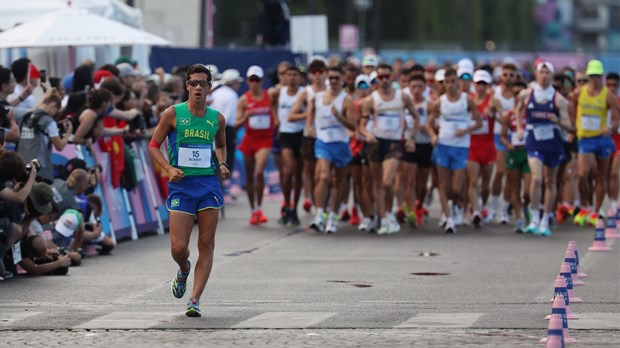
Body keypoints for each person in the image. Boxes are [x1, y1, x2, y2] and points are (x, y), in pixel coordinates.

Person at [149, 64, 229, 317]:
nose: (197, 88)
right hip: (182, 187)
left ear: (209, 87)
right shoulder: (172, 114)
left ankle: (194, 299)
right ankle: (184, 270)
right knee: (178, 248)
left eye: (202, 84)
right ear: (186, 86)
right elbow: (153, 145)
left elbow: (221, 145)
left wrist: (223, 163)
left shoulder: (216, 118)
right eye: (193, 83)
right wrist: (168, 169)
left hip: (208, 186)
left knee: (206, 243)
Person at [515, 61, 573, 236]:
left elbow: (569, 126)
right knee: (537, 178)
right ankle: (534, 217)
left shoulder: (559, 99)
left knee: (551, 181)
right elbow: (518, 110)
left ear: (552, 76)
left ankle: (546, 218)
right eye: (542, 72)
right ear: (536, 74)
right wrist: (519, 127)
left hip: (552, 144)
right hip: (534, 141)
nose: (545, 75)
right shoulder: (526, 94)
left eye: (548, 73)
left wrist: (558, 121)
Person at [360, 64, 420, 234]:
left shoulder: (402, 97)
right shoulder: (371, 100)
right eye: (381, 77)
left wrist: (411, 137)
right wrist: (367, 134)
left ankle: (389, 212)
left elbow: (415, 117)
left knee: (387, 182)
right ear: (376, 79)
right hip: (376, 142)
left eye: (387, 76)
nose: (384, 80)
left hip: (394, 143)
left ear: (392, 77)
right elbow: (362, 125)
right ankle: (384, 217)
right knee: (377, 183)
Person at [426, 68, 482, 234]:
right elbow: (429, 124)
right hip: (443, 145)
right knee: (443, 184)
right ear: (444, 83)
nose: (450, 85)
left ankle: (456, 205)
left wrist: (465, 131)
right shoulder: (440, 102)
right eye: (447, 82)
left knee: (456, 188)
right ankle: (448, 218)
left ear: (458, 82)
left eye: (453, 82)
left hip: (461, 146)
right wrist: (433, 136)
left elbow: (479, 123)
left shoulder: (467, 100)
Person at [307, 66, 356, 233]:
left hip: (341, 143)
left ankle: (333, 216)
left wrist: (339, 116)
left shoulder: (346, 99)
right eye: (331, 77)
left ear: (342, 80)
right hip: (323, 142)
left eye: (337, 78)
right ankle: (319, 215)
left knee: (338, 181)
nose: (334, 81)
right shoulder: (318, 97)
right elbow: (310, 113)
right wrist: (309, 127)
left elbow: (353, 125)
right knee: (323, 176)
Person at [572, 60, 620, 224]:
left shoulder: (608, 95)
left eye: (597, 76)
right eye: (591, 76)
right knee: (582, 174)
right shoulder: (579, 93)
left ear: (602, 76)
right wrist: (573, 126)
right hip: (585, 138)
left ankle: (596, 210)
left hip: (602, 138)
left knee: (601, 175)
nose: (594, 79)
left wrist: (611, 128)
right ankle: (585, 205)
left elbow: (615, 119)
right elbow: (572, 108)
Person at [235, 65, 277, 224]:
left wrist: (277, 122)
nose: (254, 83)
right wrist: (246, 116)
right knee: (249, 176)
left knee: (259, 173)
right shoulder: (244, 100)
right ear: (247, 81)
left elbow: (275, 112)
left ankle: (259, 207)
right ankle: (254, 210)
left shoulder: (269, 96)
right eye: (252, 80)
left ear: (262, 81)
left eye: (257, 80)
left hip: (264, 140)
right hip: (249, 140)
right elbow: (236, 123)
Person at [289, 59, 327, 213]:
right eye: (314, 72)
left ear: (325, 73)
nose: (317, 76)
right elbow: (292, 115)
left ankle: (323, 204)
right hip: (310, 137)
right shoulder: (306, 92)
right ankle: (311, 198)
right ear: (310, 75)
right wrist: (308, 115)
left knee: (323, 174)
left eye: (320, 72)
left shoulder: (331, 90)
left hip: (327, 138)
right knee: (310, 172)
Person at [467, 70, 503, 228]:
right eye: (478, 83)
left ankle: (483, 205)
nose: (480, 87)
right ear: (473, 85)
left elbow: (504, 118)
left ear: (488, 85)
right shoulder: (468, 99)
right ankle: (475, 212)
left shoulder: (493, 101)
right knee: (473, 180)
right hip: (472, 144)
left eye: (484, 84)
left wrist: (493, 114)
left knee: (485, 184)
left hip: (488, 145)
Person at [271, 66, 304, 226]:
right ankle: (286, 202)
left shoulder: (304, 92)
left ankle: (294, 207)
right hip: (285, 134)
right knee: (288, 170)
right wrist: (275, 118)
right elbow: (270, 102)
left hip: (301, 134)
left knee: (298, 173)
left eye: (294, 75)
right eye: (288, 75)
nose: (291, 78)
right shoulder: (279, 91)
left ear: (300, 77)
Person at [17, 89, 73, 180]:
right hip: (38, 168)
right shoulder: (49, 122)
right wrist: (68, 132)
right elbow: (60, 146)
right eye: (56, 111)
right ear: (53, 106)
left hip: (20, 163)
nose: (55, 115)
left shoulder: (27, 116)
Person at [488, 63, 518, 224]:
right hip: (499, 137)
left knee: (511, 175)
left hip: (515, 139)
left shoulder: (517, 95)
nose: (508, 78)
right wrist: (498, 114)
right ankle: (493, 207)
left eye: (511, 75)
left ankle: (504, 209)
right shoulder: (495, 93)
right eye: (505, 74)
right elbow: (488, 112)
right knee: (499, 171)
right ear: (501, 76)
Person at [210, 69, 242, 197]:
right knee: (225, 162)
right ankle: (221, 191)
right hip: (226, 130)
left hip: (214, 128)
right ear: (233, 83)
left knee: (217, 161)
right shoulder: (232, 95)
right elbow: (227, 117)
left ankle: (219, 191)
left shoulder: (216, 93)